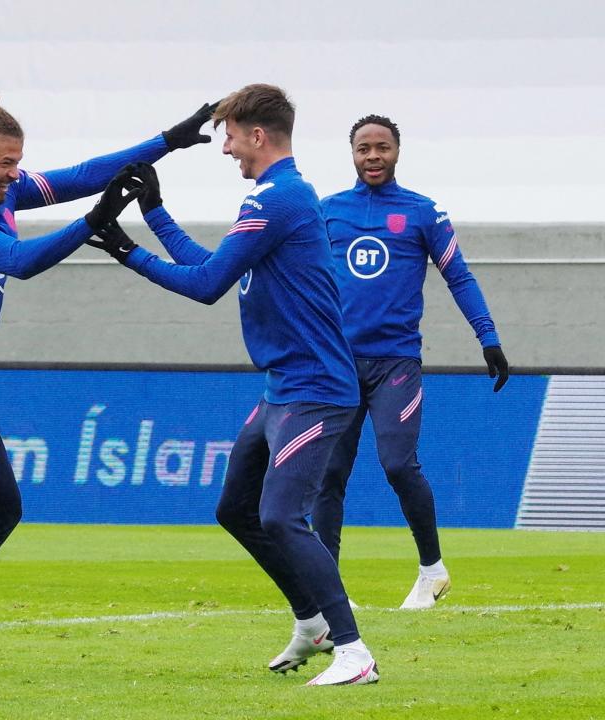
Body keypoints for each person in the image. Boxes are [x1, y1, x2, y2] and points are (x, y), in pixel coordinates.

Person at [0, 78, 216, 680]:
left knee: (1, 510)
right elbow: (21, 261)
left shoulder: (0, 195)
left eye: (18, 162)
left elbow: (89, 172)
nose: (16, 173)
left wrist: (168, 141)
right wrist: (95, 221)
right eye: (6, 163)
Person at [88, 84, 379, 686]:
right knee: (235, 509)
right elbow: (209, 265)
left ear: (257, 135)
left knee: (279, 517)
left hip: (316, 392)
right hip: (283, 389)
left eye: (228, 135)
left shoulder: (279, 198)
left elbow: (205, 285)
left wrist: (126, 250)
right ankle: (312, 622)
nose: (224, 148)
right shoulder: (277, 199)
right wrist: (154, 216)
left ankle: (353, 651)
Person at [310, 115, 509, 609]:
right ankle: (328, 586)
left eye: (382, 147)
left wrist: (488, 337)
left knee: (398, 463)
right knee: (330, 473)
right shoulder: (327, 212)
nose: (373, 156)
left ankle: (432, 571)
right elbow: (299, 278)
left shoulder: (423, 212)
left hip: (396, 363)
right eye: (363, 148)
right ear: (351, 154)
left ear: (398, 151)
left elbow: (459, 277)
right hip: (337, 365)